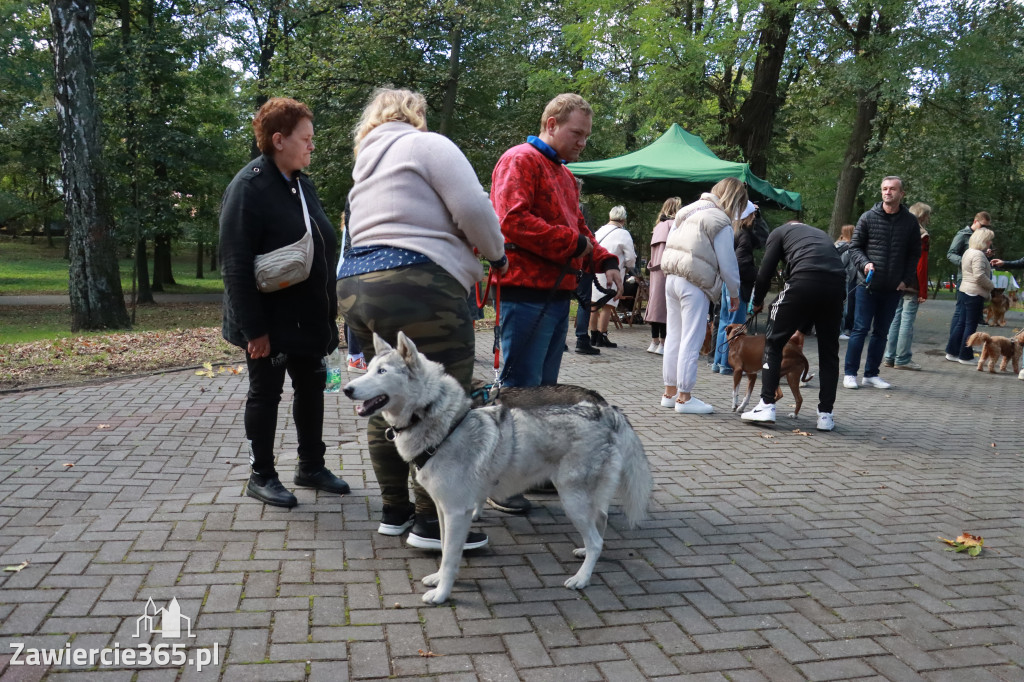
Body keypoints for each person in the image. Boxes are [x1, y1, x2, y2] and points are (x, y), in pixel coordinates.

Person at [337, 88, 507, 549]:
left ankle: (395, 511)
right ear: (416, 115)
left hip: (357, 286)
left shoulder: (364, 168)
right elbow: (474, 208)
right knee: (443, 400)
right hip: (419, 283)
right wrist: (497, 256)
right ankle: (433, 522)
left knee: (385, 395)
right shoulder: (429, 145)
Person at [220, 97, 349, 508]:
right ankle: (262, 475)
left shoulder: (300, 182)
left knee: (311, 388)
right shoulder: (248, 188)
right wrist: (253, 330)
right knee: (266, 394)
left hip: (308, 318)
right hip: (270, 322)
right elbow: (236, 267)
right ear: (279, 140)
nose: (313, 146)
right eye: (306, 138)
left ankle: (310, 465)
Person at [740, 221, 846, 431]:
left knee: (773, 342)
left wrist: (758, 301)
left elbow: (765, 273)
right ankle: (826, 414)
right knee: (829, 352)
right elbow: (818, 292)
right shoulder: (820, 234)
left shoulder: (778, 233)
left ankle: (767, 404)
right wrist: (801, 329)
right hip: (836, 285)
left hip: (804, 278)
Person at [659, 177, 745, 414]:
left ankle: (669, 392)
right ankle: (684, 398)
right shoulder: (720, 221)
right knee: (691, 338)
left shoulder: (686, 210)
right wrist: (734, 292)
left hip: (672, 277)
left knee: (674, 336)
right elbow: (728, 263)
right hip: (695, 282)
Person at [842, 176, 921, 390]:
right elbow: (854, 247)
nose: (888, 192)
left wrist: (905, 280)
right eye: (885, 189)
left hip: (894, 287)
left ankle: (871, 374)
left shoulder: (910, 221)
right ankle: (850, 373)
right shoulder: (867, 217)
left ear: (901, 194)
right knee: (860, 329)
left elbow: (915, 254)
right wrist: (865, 264)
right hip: (867, 285)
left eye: (893, 189)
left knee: (881, 333)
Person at [711, 203, 759, 374]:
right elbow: (742, 264)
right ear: (747, 217)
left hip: (726, 282)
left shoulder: (731, 233)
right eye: (753, 216)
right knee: (736, 326)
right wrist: (756, 273)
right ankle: (728, 363)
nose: (754, 219)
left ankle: (718, 362)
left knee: (725, 323)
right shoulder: (744, 236)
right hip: (736, 284)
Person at [883, 202, 931, 370]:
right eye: (927, 215)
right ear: (922, 216)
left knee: (895, 319)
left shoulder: (897, 229)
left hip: (896, 280)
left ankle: (889, 356)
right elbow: (921, 264)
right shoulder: (922, 235)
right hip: (911, 282)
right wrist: (923, 290)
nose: (928, 219)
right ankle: (902, 358)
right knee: (906, 322)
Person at [944, 227, 995, 364]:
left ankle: (952, 351)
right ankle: (965, 355)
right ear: (983, 240)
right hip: (974, 293)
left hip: (965, 290)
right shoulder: (978, 255)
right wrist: (991, 286)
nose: (990, 243)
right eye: (989, 240)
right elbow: (979, 276)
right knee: (970, 326)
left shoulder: (968, 252)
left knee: (961, 323)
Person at [589, 206, 636, 348]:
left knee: (594, 304)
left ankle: (593, 335)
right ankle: (602, 336)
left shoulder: (600, 230)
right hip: (613, 272)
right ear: (623, 218)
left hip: (596, 272)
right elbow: (630, 258)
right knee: (608, 305)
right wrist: (628, 266)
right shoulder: (624, 234)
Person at [645, 197, 681, 354]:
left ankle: (654, 341)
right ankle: (664, 343)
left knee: (655, 305)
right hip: (668, 270)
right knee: (667, 307)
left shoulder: (658, 226)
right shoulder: (675, 226)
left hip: (655, 270)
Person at [573, 182, 600, 356]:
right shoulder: (580, 208)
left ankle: (561, 341)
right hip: (581, 264)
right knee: (584, 302)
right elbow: (587, 235)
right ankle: (582, 338)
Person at [834, 224, 857, 339]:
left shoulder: (835, 245)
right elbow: (850, 267)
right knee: (845, 306)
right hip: (845, 279)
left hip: (833, 278)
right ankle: (842, 330)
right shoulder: (849, 248)